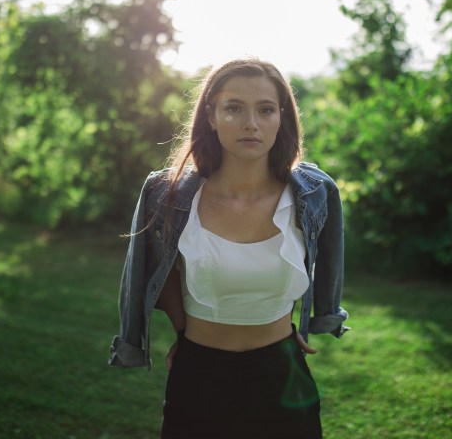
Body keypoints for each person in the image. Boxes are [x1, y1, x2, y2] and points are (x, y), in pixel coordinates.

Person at [109, 57, 349, 439]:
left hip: (282, 370)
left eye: (265, 109)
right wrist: (187, 334)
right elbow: (161, 270)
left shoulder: (315, 193)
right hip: (199, 372)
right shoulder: (167, 195)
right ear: (211, 115)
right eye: (234, 108)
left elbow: (322, 264)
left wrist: (289, 326)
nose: (250, 123)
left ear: (281, 117)